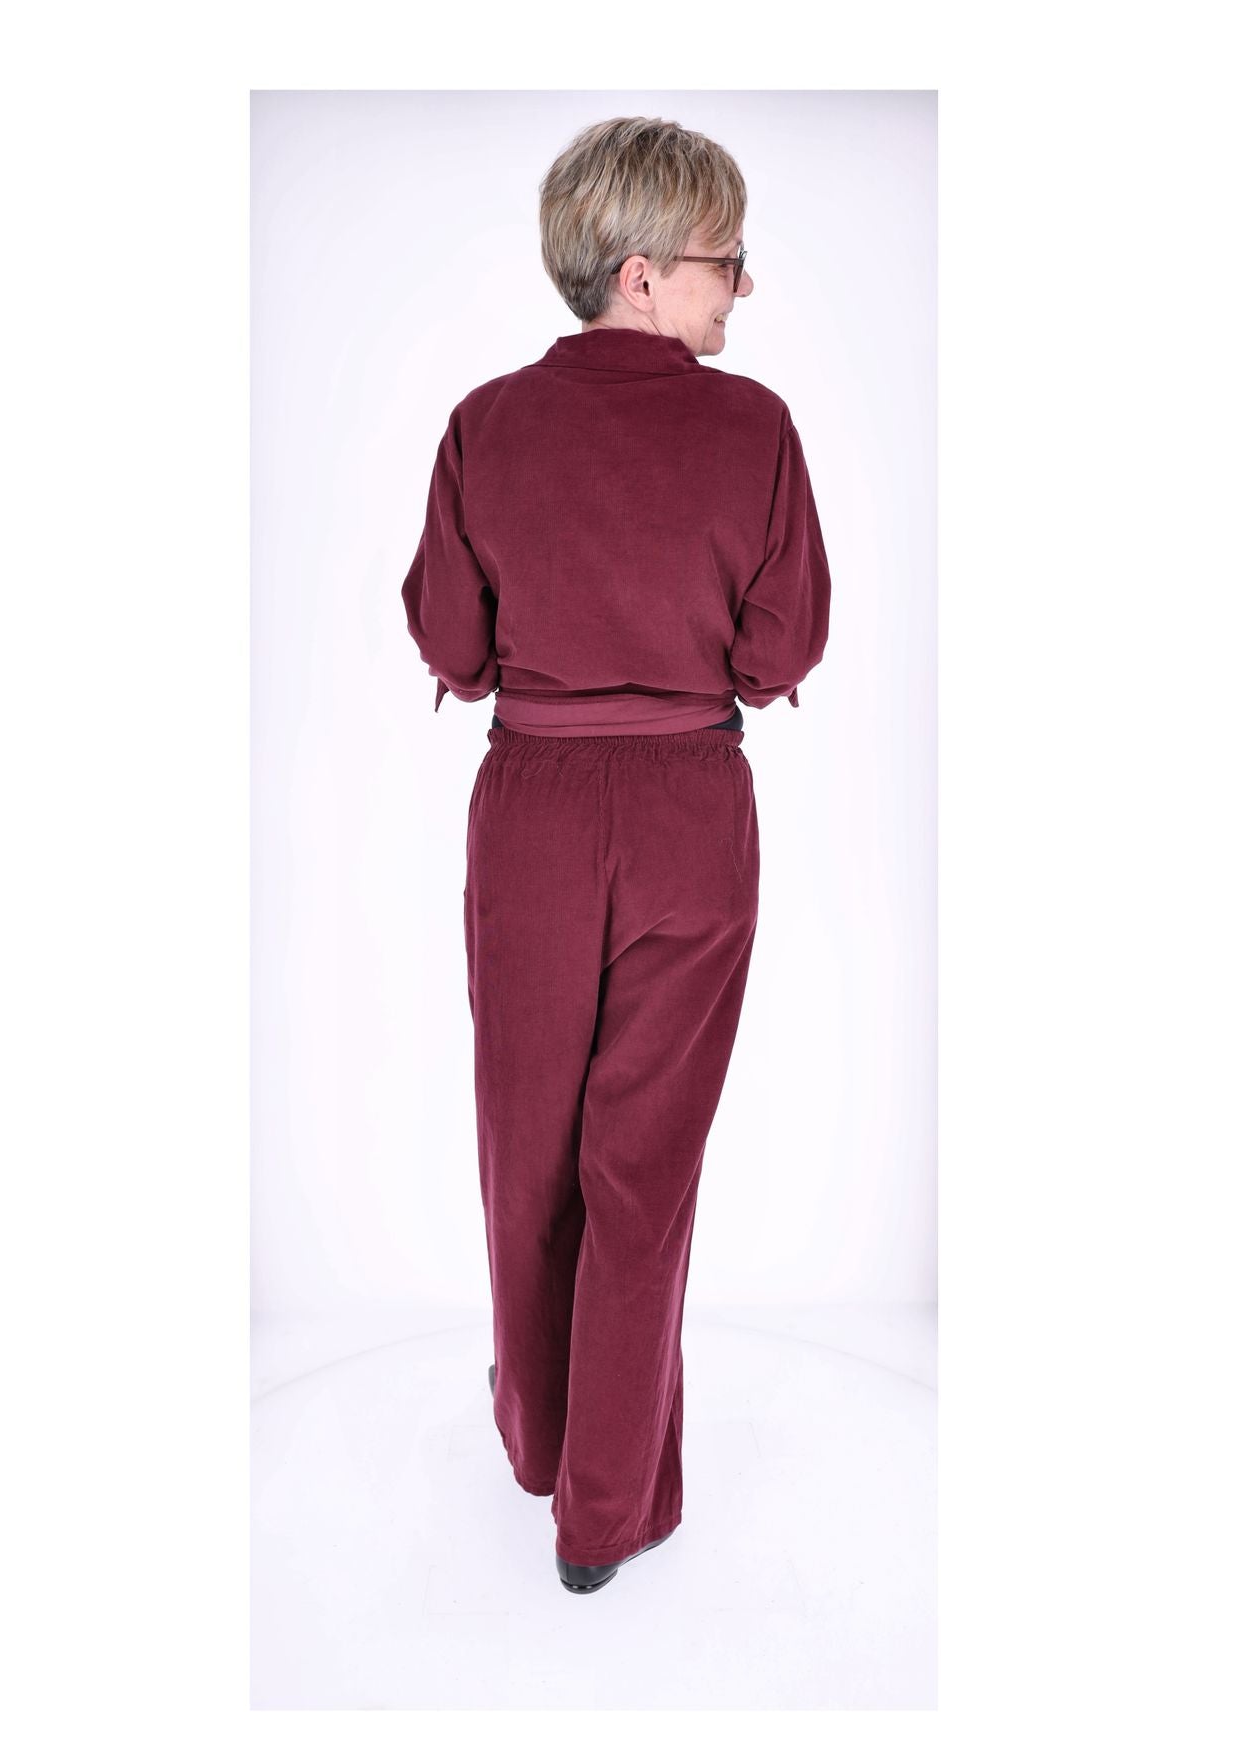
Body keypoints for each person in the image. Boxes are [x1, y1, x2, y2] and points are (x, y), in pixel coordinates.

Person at [401, 115, 831, 1595]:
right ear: (640, 273)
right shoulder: (754, 430)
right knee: (642, 1168)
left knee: (525, 1144)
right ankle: (604, 1513)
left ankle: (537, 1439)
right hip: (690, 813)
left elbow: (453, 644)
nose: (742, 287)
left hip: (529, 804)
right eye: (726, 259)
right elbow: (782, 652)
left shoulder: (483, 424)